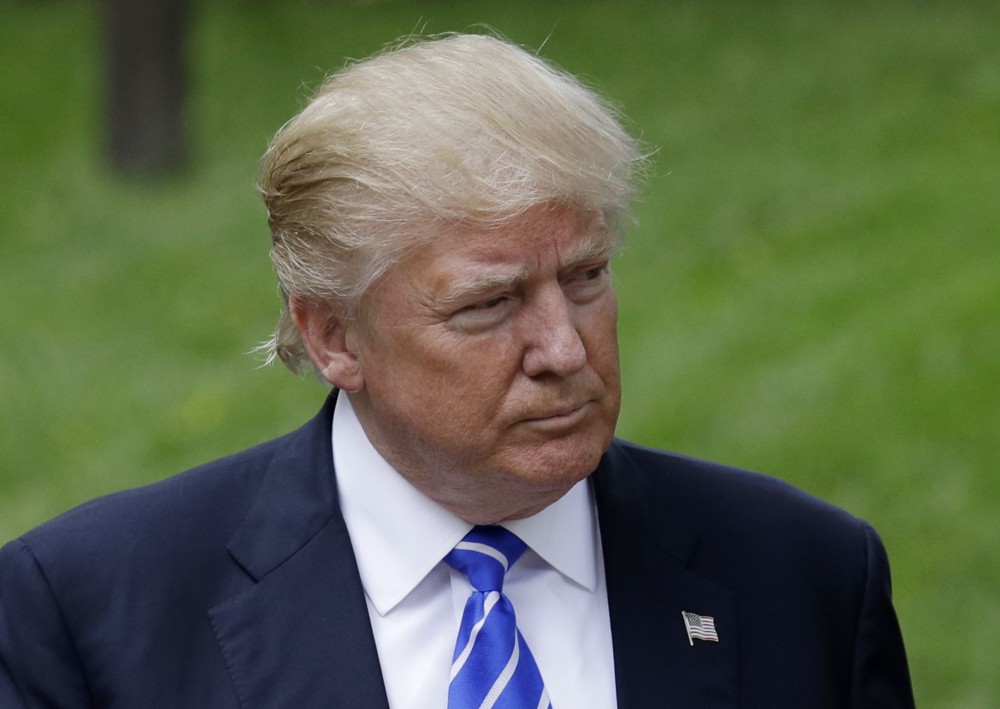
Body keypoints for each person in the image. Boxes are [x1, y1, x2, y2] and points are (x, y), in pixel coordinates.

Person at [0, 33, 913, 708]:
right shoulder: (92, 613)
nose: (564, 349)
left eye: (586, 278)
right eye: (489, 303)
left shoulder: (806, 577)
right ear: (334, 337)